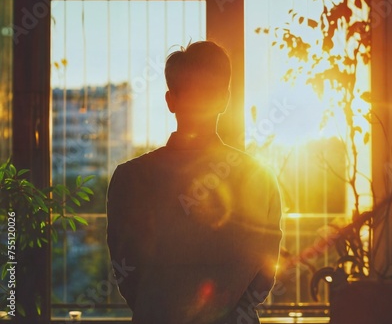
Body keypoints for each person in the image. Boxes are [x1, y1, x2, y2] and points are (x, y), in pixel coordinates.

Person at [106, 41, 282, 324]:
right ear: (225, 99)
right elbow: (263, 277)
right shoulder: (259, 177)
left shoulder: (131, 178)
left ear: (170, 100)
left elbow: (128, 273)